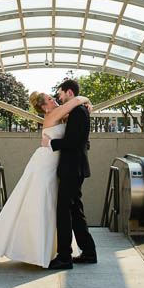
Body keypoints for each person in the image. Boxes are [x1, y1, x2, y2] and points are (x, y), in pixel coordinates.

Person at [0, 90, 91, 268]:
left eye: (53, 97)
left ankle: (52, 251)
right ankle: (40, 250)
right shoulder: (54, 114)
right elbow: (77, 99)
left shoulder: (60, 114)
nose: (54, 99)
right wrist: (86, 100)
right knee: (41, 204)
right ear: (44, 107)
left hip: (55, 164)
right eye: (49, 99)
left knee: (51, 205)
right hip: (45, 164)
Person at [43, 78, 97, 269]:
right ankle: (89, 252)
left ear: (69, 93)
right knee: (75, 210)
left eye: (60, 93)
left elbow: (73, 142)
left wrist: (50, 144)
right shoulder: (77, 111)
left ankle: (65, 257)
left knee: (64, 211)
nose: (59, 96)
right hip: (75, 168)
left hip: (72, 169)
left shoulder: (78, 112)